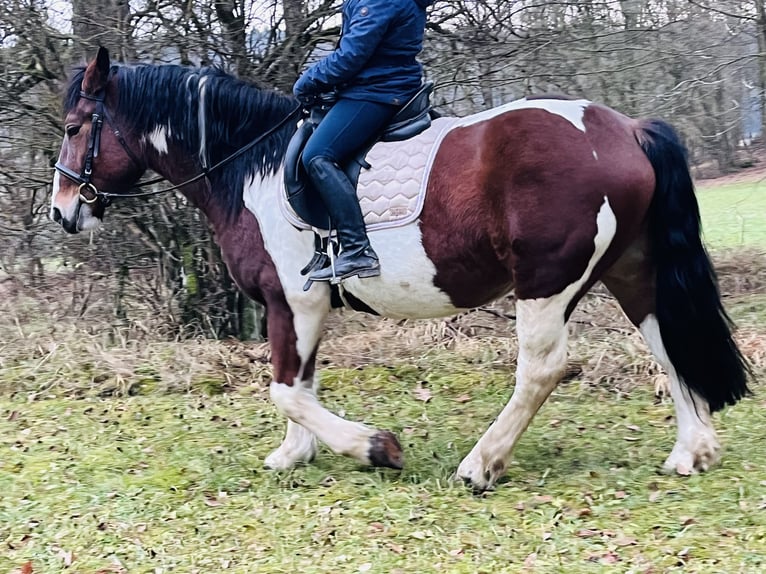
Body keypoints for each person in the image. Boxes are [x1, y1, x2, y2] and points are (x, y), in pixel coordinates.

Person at [293, 0, 434, 283]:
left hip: (376, 93)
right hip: (387, 85)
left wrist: (306, 82)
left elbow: (350, 56)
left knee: (317, 156)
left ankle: (357, 250)